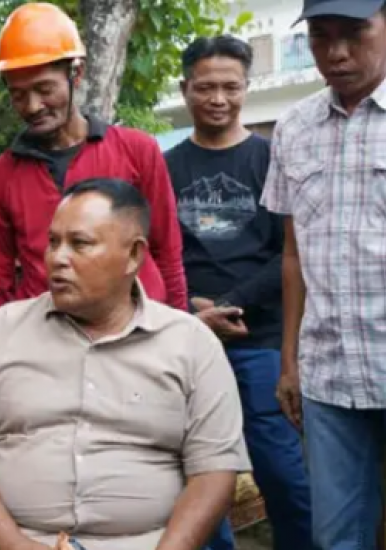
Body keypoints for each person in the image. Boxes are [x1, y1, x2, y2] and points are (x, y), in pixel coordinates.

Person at [0, 178, 250, 550]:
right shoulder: (2, 331)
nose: (57, 258)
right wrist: (14, 545)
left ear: (134, 255)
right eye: (53, 242)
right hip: (15, 541)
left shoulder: (191, 343)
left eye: (80, 244)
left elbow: (213, 473)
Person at [166, 36, 314, 550]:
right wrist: (191, 312)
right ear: (185, 90)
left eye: (231, 87)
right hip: (185, 337)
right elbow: (159, 256)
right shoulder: (166, 168)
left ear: (246, 88)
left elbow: (289, 253)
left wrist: (230, 303)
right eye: (205, 87)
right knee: (197, 472)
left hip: (261, 336)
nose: (218, 98)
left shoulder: (272, 159)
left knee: (282, 469)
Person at [260, 0, 386, 548]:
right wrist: (290, 362)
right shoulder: (293, 126)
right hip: (329, 375)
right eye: (320, 36)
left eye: (355, 33)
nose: (336, 53)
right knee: (336, 538)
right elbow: (293, 254)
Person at [0, 2, 187, 321]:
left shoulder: (138, 150)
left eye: (44, 89)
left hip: (138, 332)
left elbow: (167, 253)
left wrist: (179, 335)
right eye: (18, 95)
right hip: (49, 338)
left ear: (76, 74)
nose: (33, 106)